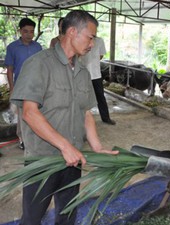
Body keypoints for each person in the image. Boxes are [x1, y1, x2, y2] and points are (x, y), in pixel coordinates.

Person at [10, 10, 119, 225]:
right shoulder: (39, 64)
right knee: (32, 218)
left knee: (68, 214)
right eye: (90, 37)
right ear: (72, 32)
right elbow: (30, 113)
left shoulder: (83, 72)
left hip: (73, 159)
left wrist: (96, 146)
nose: (92, 43)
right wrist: (64, 146)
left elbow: (85, 111)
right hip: (43, 160)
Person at [4, 18, 42, 150]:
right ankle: (22, 139)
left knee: (36, 111)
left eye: (31, 32)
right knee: (22, 114)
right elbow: (10, 69)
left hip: (37, 85)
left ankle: (36, 135)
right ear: (20, 31)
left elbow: (42, 67)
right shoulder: (12, 47)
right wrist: (12, 88)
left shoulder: (38, 47)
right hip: (20, 86)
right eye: (26, 31)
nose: (29, 34)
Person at [82, 36, 116, 125]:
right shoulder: (81, 38)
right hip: (82, 74)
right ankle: (81, 120)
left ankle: (106, 118)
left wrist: (92, 60)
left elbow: (101, 55)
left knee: (100, 97)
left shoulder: (99, 41)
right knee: (82, 97)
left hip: (96, 74)